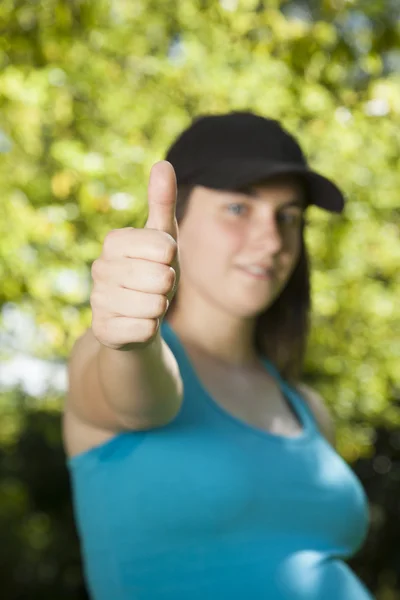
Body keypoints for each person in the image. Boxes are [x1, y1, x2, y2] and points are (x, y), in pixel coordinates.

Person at [63, 111, 374, 599]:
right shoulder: (109, 355)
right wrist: (134, 340)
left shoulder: (306, 408)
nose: (272, 240)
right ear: (177, 221)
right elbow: (141, 391)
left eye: (288, 216)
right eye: (238, 209)